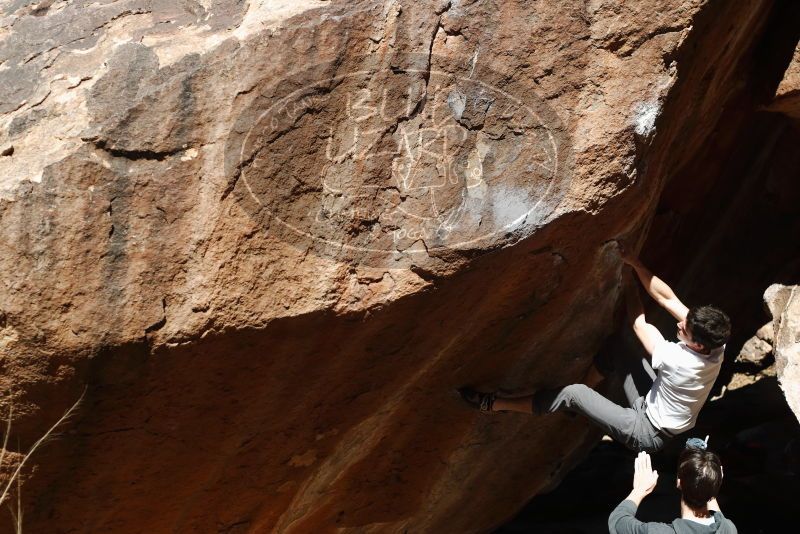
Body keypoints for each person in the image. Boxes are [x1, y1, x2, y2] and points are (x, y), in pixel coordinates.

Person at [458, 245, 731, 453]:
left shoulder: (679, 361)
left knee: (573, 394)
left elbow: (639, 324)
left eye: (686, 329)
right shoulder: (716, 345)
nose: (680, 324)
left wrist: (627, 282)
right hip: (657, 405)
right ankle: (580, 402)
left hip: (646, 431)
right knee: (616, 348)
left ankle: (493, 403)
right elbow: (667, 298)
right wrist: (634, 262)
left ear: (697, 345)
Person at [608, 448, 737, 533]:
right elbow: (715, 506)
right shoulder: (728, 529)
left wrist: (639, 490)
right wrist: (710, 476)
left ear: (679, 482)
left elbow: (618, 521)